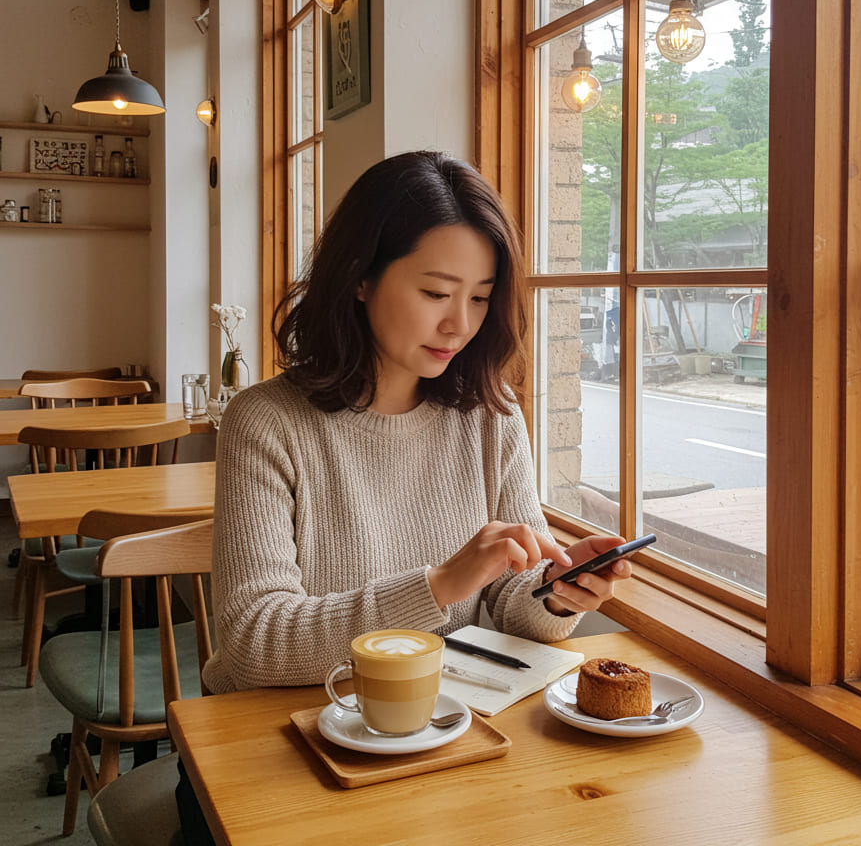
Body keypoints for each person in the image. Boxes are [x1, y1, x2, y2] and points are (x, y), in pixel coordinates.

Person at [201, 149, 635, 695]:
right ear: (360, 277)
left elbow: (507, 604)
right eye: (435, 293)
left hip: (443, 724)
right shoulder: (267, 422)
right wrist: (439, 586)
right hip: (283, 736)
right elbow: (253, 643)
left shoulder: (489, 413)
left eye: (479, 298)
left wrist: (552, 591)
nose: (459, 324)